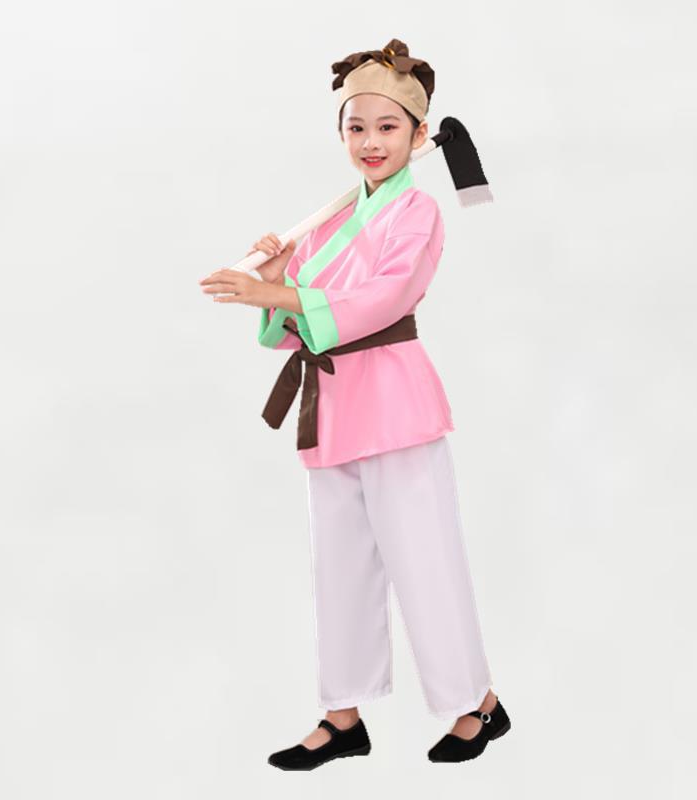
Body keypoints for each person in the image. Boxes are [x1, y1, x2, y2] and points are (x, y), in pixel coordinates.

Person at [199, 38, 511, 769]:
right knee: (338, 568)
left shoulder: (417, 213)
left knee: (425, 559)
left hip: (395, 402)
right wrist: (280, 276)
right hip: (333, 407)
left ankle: (476, 703)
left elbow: (383, 299)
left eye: (388, 127)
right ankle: (342, 715)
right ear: (341, 133)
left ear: (419, 134)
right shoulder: (328, 226)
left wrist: (277, 292)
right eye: (356, 127)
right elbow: (290, 329)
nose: (371, 141)